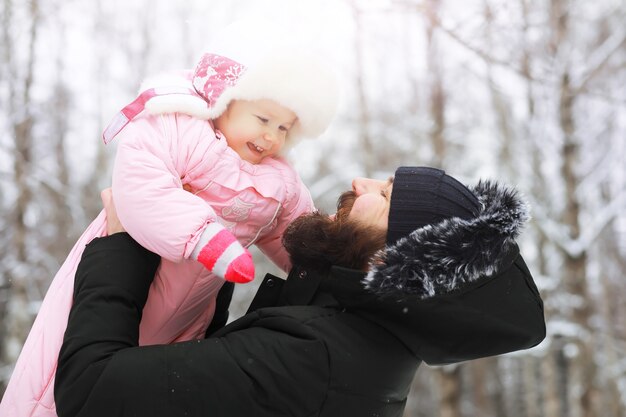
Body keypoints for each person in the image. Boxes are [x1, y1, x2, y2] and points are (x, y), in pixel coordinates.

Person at [0, 30, 338, 417]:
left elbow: (294, 235)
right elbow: (141, 185)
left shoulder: (279, 180)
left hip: (189, 313)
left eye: (284, 129)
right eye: (263, 119)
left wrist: (325, 267)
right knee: (57, 381)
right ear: (225, 103)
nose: (271, 136)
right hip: (126, 274)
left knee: (144, 390)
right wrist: (206, 239)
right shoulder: (180, 129)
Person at [54, 166, 546, 417]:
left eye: (386, 194)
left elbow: (90, 388)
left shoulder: (313, 356)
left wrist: (121, 245)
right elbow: (210, 379)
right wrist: (208, 256)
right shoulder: (356, 338)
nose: (361, 182)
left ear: (393, 257)